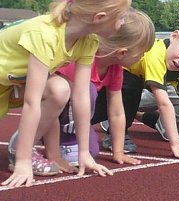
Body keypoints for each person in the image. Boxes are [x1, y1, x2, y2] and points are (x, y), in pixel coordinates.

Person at [0, 0, 130, 187]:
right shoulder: (45, 34)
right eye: (121, 17)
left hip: (15, 81)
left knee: (61, 89)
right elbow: (31, 101)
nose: (123, 23)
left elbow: (81, 96)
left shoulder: (88, 41)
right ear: (99, 17)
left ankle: (32, 149)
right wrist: (23, 162)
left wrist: (84, 153)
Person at [96, 20, 179, 160]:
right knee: (129, 89)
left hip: (127, 83)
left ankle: (110, 124)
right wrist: (176, 147)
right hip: (111, 78)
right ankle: (114, 132)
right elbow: (164, 104)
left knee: (133, 90)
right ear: (174, 37)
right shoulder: (156, 54)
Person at [50, 9, 155, 167]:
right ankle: (48, 137)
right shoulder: (83, 60)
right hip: (51, 113)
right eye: (142, 53)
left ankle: (69, 139)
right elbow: (66, 96)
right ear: (122, 53)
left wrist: (118, 152)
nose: (143, 58)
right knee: (88, 90)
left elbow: (117, 111)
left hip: (76, 116)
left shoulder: (115, 69)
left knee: (92, 151)